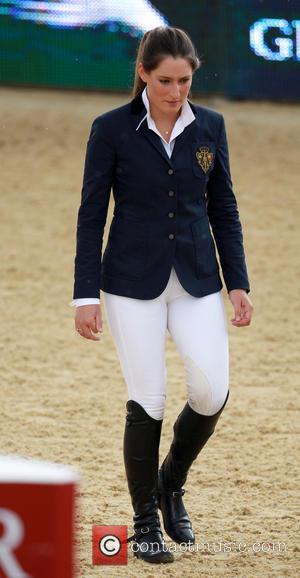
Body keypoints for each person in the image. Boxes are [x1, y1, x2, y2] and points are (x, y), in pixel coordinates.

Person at [70, 26, 253, 564]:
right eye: (166, 81)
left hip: (196, 279)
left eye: (186, 80)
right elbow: (90, 215)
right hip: (131, 283)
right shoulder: (111, 130)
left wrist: (237, 282)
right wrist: (85, 296)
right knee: (147, 399)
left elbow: (224, 207)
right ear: (144, 74)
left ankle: (172, 483)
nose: (177, 92)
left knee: (211, 391)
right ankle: (145, 520)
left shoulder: (211, 127)